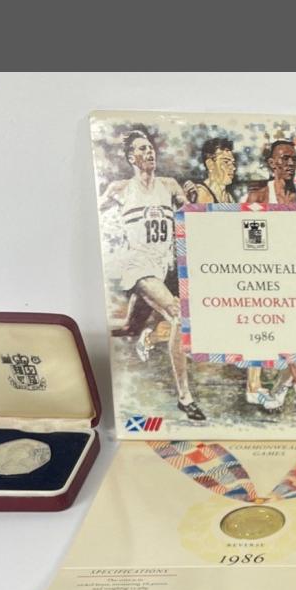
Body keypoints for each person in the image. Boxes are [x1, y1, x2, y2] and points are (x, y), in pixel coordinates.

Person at [98, 129, 205, 422]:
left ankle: (137, 333)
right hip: (138, 266)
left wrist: (192, 198)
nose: (149, 153)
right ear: (131, 157)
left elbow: (190, 210)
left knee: (128, 329)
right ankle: (185, 397)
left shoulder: (168, 185)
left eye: (150, 148)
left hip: (164, 267)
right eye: (142, 149)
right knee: (178, 316)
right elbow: (94, 212)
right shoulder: (120, 188)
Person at [243, 139, 296, 424]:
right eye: (284, 158)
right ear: (271, 163)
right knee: (291, 339)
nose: (290, 163)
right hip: (266, 278)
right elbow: (249, 241)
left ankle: (279, 394)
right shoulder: (259, 194)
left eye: (293, 159)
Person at [185, 135, 237, 205]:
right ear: (210, 164)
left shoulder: (228, 197)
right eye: (226, 162)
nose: (233, 168)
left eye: (233, 163)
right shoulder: (201, 193)